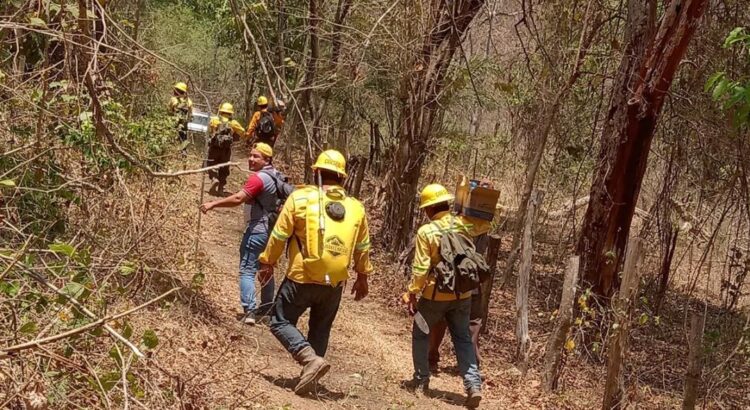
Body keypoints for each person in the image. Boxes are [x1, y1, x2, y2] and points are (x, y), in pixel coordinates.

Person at [257, 150, 373, 395]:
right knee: (320, 328)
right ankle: (311, 379)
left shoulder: (300, 198)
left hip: (302, 276)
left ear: (316, 172)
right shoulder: (356, 208)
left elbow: (279, 235)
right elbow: (362, 247)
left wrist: (267, 262)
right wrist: (362, 276)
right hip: (335, 284)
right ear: (343, 178)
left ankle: (309, 360)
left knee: (279, 320)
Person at [402, 183, 489, 408]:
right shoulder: (463, 224)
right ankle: (473, 384)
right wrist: (481, 197)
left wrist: (411, 293)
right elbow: (487, 223)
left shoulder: (426, 232)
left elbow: (420, 270)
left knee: (420, 333)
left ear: (429, 209)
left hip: (434, 295)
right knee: (462, 337)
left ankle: (421, 380)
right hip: (463, 294)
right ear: (446, 204)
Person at [199, 143, 292, 325]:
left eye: (256, 156)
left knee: (247, 270)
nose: (251, 159)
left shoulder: (259, 179)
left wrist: (213, 205)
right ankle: (266, 309)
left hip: (257, 230)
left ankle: (249, 310)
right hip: (272, 232)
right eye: (250, 155)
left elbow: (238, 198)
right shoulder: (276, 176)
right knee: (266, 268)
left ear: (267, 159)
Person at [206, 102, 244, 193]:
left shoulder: (214, 120)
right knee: (224, 168)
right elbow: (242, 132)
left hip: (214, 148)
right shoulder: (233, 123)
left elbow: (210, 131)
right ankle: (221, 188)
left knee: (211, 164)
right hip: (226, 150)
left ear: (221, 111)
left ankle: (214, 178)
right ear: (231, 113)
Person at [168, 82, 193, 150]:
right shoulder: (189, 101)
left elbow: (169, 111)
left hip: (173, 123)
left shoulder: (173, 99)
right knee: (183, 141)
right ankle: (183, 154)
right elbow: (191, 114)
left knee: (171, 140)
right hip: (184, 125)